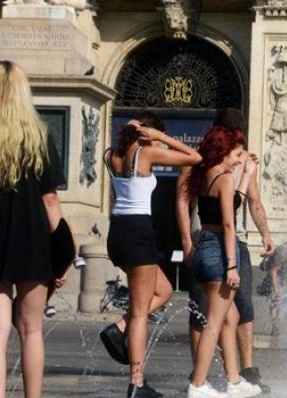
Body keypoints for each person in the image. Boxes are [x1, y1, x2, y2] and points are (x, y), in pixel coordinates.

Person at [0, 61, 69, 398]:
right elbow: (50, 200)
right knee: (31, 329)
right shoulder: (39, 136)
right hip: (35, 238)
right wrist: (63, 250)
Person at [100, 112, 201, 398]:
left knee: (165, 291)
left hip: (117, 232)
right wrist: (161, 138)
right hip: (138, 232)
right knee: (142, 312)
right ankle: (137, 381)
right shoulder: (145, 153)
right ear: (146, 133)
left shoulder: (111, 155)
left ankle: (120, 326)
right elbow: (194, 158)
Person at [176, 108, 275, 393]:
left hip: (210, 241)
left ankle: (235, 379)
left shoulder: (208, 167)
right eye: (236, 149)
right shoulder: (213, 169)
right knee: (212, 320)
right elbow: (229, 221)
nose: (240, 156)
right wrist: (229, 263)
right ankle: (198, 382)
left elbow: (241, 201)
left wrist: (245, 175)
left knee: (231, 315)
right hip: (216, 246)